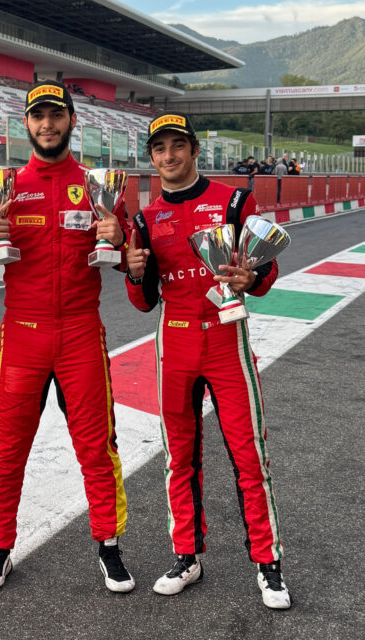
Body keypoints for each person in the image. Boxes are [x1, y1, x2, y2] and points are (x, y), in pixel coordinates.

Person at [0, 80, 134, 593]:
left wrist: (120, 237)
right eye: (38, 116)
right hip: (23, 333)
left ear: (71, 122)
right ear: (26, 123)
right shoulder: (6, 185)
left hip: (82, 331)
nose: (47, 124)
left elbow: (126, 260)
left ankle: (109, 545)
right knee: (7, 447)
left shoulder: (97, 184)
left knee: (97, 445)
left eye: (56, 115)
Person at [124, 112, 291, 609]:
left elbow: (266, 271)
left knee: (249, 456)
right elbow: (144, 302)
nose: (169, 156)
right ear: (151, 158)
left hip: (226, 340)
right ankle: (186, 556)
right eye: (160, 149)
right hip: (173, 343)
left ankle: (269, 564)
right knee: (178, 457)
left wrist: (251, 279)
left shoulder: (235, 201)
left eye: (178, 145)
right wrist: (134, 274)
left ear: (195, 150)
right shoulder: (144, 220)